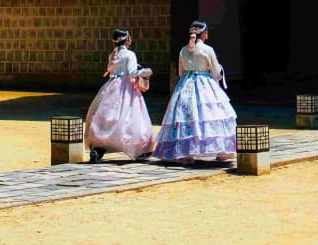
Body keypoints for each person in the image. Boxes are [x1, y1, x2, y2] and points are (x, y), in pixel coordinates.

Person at [151, 20, 237, 164]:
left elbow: (180, 71)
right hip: (204, 82)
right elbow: (215, 71)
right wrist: (216, 76)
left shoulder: (183, 50)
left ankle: (185, 153)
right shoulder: (207, 49)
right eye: (206, 33)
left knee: (184, 116)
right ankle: (222, 151)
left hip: (186, 83)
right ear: (203, 33)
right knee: (210, 115)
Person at [84, 29, 156, 162]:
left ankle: (99, 148)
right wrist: (147, 71)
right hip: (126, 88)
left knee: (109, 117)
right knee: (130, 117)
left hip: (112, 86)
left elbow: (114, 69)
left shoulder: (113, 54)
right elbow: (133, 72)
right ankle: (139, 149)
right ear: (127, 39)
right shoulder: (130, 54)